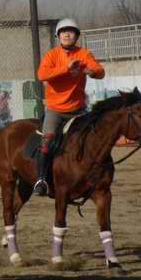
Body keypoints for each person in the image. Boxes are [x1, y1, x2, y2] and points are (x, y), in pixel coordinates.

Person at [33, 18, 105, 197]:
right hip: (56, 110)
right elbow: (42, 75)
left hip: (79, 110)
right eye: (63, 31)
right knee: (47, 141)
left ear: (77, 36)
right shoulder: (51, 55)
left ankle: (94, 175)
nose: (67, 34)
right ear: (58, 36)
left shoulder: (84, 54)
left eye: (71, 31)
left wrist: (92, 72)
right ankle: (41, 180)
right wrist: (66, 68)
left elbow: (100, 71)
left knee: (94, 139)